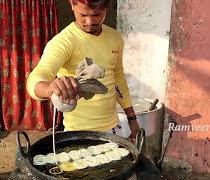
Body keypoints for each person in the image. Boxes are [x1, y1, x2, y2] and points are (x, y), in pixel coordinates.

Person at [26, 0, 140, 141]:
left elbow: (118, 78)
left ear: (106, 8)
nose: (89, 21)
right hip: (78, 133)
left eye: (97, 15)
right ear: (72, 4)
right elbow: (37, 77)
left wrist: (132, 118)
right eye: (83, 14)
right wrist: (49, 88)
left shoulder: (115, 38)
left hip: (113, 128)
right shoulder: (64, 41)